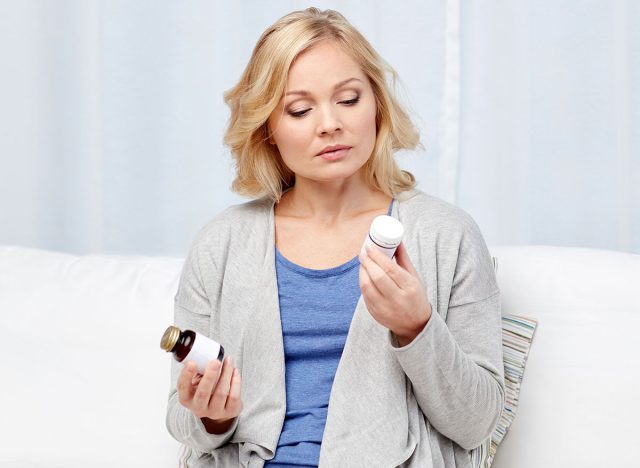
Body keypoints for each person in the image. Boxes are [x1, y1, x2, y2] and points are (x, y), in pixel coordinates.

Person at [165, 7, 505, 468]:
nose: (329, 124)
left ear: (377, 105)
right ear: (268, 128)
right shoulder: (221, 244)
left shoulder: (447, 235)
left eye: (348, 99)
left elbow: (476, 423)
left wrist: (417, 327)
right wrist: (212, 418)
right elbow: (184, 421)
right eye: (300, 109)